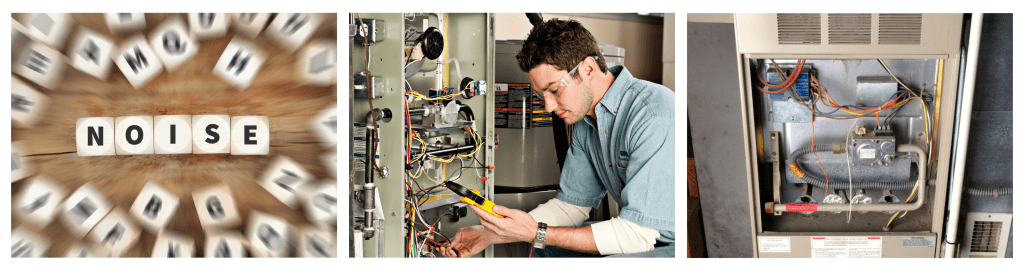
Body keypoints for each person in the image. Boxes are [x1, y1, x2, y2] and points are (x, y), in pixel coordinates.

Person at [439, 19, 675, 258]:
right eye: (542, 95)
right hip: (643, 236)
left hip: (669, 245)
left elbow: (638, 235)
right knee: (546, 246)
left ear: (588, 69)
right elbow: (571, 207)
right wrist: (490, 234)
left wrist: (535, 232)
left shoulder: (653, 114)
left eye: (554, 90)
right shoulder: (587, 119)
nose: (549, 106)